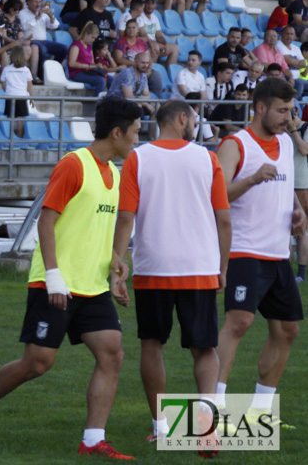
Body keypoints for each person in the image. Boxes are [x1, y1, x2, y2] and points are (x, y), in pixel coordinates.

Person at [0, 96, 141, 460]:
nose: (137, 140)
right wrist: (55, 277)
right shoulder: (74, 164)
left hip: (93, 287)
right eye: (135, 133)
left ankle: (92, 440)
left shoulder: (115, 174)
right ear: (117, 132)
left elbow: (96, 230)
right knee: (39, 363)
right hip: (55, 283)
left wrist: (115, 265)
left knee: (112, 354)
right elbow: (47, 220)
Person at [112, 99, 229, 451]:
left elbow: (126, 217)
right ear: (182, 118)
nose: (195, 124)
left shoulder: (138, 158)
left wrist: (117, 265)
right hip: (199, 266)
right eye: (193, 118)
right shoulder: (207, 158)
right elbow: (224, 218)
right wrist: (223, 267)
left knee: (152, 344)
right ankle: (206, 430)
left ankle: (161, 428)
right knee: (205, 348)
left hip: (153, 267)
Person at [213, 78, 306, 430]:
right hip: (243, 250)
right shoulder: (235, 143)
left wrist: (299, 212)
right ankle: (214, 407)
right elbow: (216, 194)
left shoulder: (284, 143)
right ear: (260, 108)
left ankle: (260, 411)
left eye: (291, 110)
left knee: (287, 330)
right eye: (282, 111)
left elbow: (286, 190)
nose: (288, 118)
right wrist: (251, 179)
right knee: (239, 323)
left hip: (277, 253)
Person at [67, 22, 107, 94]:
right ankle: (98, 103)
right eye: (92, 37)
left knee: (109, 79)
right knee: (101, 80)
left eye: (95, 38)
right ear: (86, 34)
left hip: (88, 71)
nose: (93, 40)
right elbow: (71, 63)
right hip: (77, 73)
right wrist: (89, 66)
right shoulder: (76, 46)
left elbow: (92, 63)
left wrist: (97, 66)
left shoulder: (89, 47)